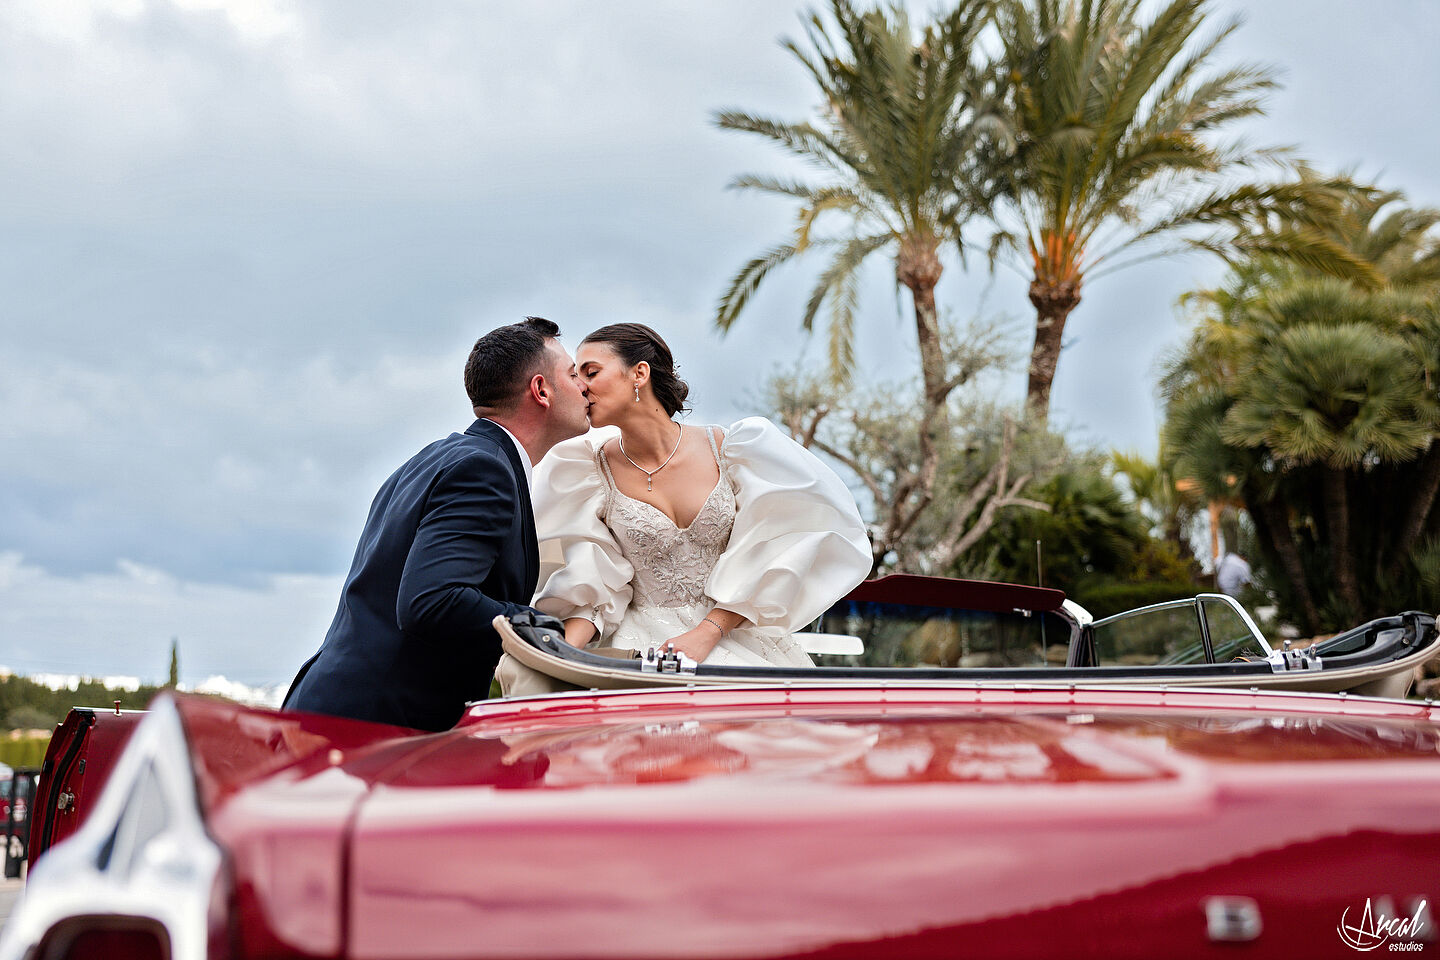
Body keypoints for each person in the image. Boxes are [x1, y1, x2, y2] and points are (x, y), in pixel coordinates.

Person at [283, 317, 590, 731]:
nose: (583, 387)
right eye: (573, 374)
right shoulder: (483, 470)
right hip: (375, 729)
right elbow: (431, 601)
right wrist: (541, 627)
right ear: (541, 391)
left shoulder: (436, 457)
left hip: (339, 711)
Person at [528, 322, 871, 670]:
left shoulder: (736, 450)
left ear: (639, 374)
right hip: (646, 655)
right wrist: (557, 658)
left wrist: (707, 632)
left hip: (739, 643)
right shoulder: (586, 471)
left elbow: (781, 548)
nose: (581, 387)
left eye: (591, 371)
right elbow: (591, 584)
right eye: (576, 375)